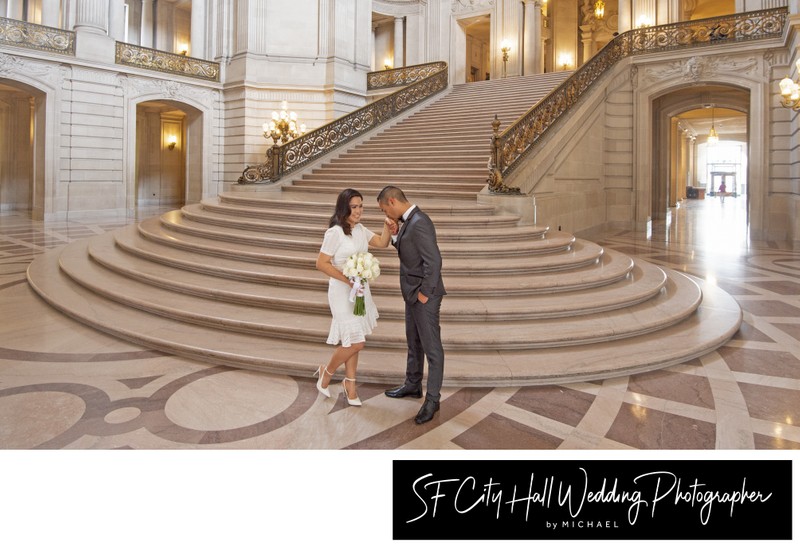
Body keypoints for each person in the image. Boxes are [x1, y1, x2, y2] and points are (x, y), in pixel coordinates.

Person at [315, 188, 396, 406]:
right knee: (357, 342)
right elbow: (321, 263)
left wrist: (388, 225)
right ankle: (327, 372)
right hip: (342, 291)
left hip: (359, 291)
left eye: (361, 206)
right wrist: (347, 279)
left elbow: (381, 243)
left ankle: (350, 384)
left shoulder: (359, 230)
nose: (359, 211)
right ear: (344, 208)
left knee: (353, 337)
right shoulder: (335, 233)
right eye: (354, 207)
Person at [376, 185, 446, 424]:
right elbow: (410, 253)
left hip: (423, 295)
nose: (385, 214)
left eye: (384, 209)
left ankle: (433, 400)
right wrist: (395, 234)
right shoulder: (410, 222)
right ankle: (413, 384)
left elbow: (434, 262)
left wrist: (425, 293)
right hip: (412, 294)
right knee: (413, 342)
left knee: (431, 348)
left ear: (393, 201)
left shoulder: (420, 222)